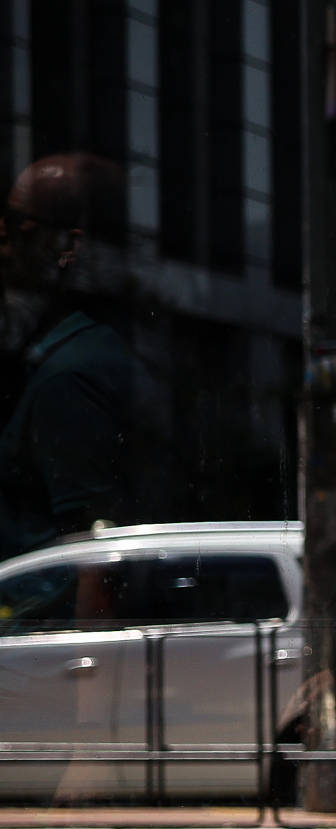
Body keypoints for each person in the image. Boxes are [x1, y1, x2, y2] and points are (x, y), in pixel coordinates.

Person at [0, 152, 159, 558]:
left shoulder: (68, 376)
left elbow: (95, 551)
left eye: (20, 226)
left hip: (40, 611)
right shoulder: (88, 349)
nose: (3, 238)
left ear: (69, 245)